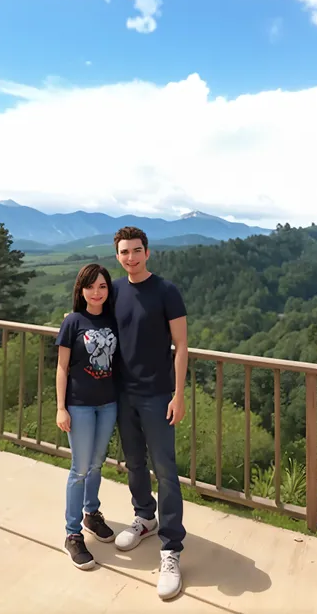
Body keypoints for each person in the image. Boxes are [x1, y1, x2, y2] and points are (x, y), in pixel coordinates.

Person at [111, 226, 188, 600]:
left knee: (166, 471)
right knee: (134, 464)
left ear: (148, 252)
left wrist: (179, 395)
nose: (131, 257)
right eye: (125, 252)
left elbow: (182, 344)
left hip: (158, 396)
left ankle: (171, 549)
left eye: (137, 250)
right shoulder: (113, 290)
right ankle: (145, 517)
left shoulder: (166, 291)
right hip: (124, 395)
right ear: (118, 255)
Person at [55, 263, 119, 570]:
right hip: (79, 405)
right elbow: (62, 367)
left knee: (96, 463)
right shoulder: (73, 322)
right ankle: (72, 534)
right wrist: (60, 407)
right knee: (79, 468)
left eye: (103, 286)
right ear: (81, 290)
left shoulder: (112, 319)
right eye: (91, 287)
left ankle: (91, 513)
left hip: (108, 403)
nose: (97, 292)